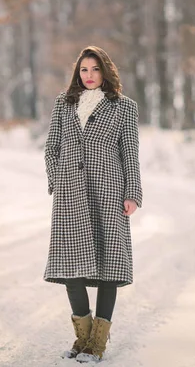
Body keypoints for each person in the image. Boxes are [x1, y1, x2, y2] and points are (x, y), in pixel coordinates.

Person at [43, 45, 143, 363]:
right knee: (71, 268)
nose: (89, 76)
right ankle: (82, 338)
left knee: (109, 268)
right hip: (70, 194)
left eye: (95, 69)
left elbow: (130, 152)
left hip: (109, 191)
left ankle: (97, 344)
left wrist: (132, 193)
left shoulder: (124, 107)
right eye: (84, 70)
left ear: (106, 71)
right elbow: (51, 148)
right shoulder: (63, 103)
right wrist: (59, 182)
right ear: (78, 73)